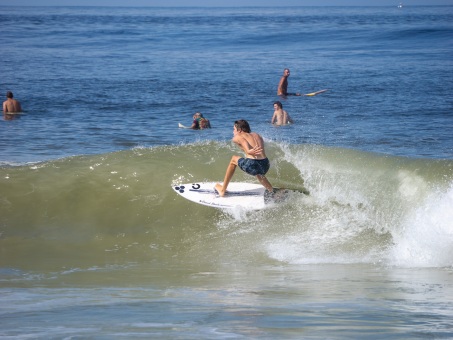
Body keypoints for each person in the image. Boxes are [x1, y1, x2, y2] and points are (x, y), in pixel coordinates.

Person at [215, 120, 273, 197]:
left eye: (234, 129)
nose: (233, 132)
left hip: (252, 164)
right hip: (265, 164)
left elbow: (242, 140)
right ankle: (271, 190)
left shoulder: (238, 136)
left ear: (239, 130)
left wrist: (248, 150)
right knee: (259, 173)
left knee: (233, 159)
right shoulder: (257, 135)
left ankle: (222, 190)